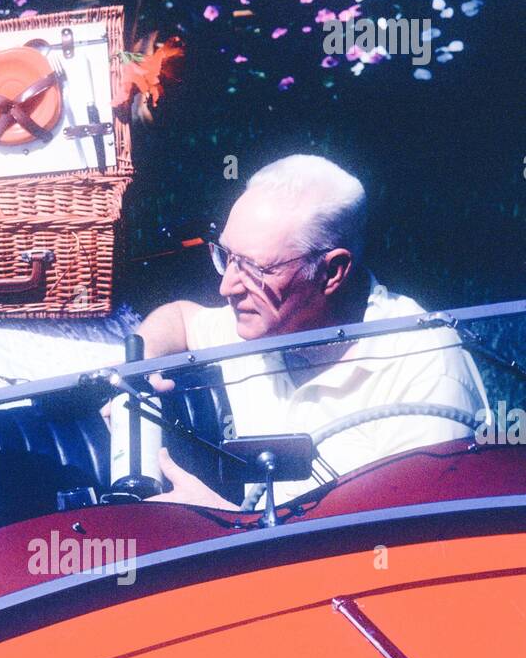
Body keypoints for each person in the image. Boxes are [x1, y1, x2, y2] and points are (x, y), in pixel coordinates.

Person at [138, 155, 489, 508]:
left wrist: (218, 522)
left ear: (333, 271)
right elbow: (181, 319)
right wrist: (142, 360)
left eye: (256, 270)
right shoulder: (265, 324)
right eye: (227, 257)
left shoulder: (422, 365)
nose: (227, 287)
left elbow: (408, 546)